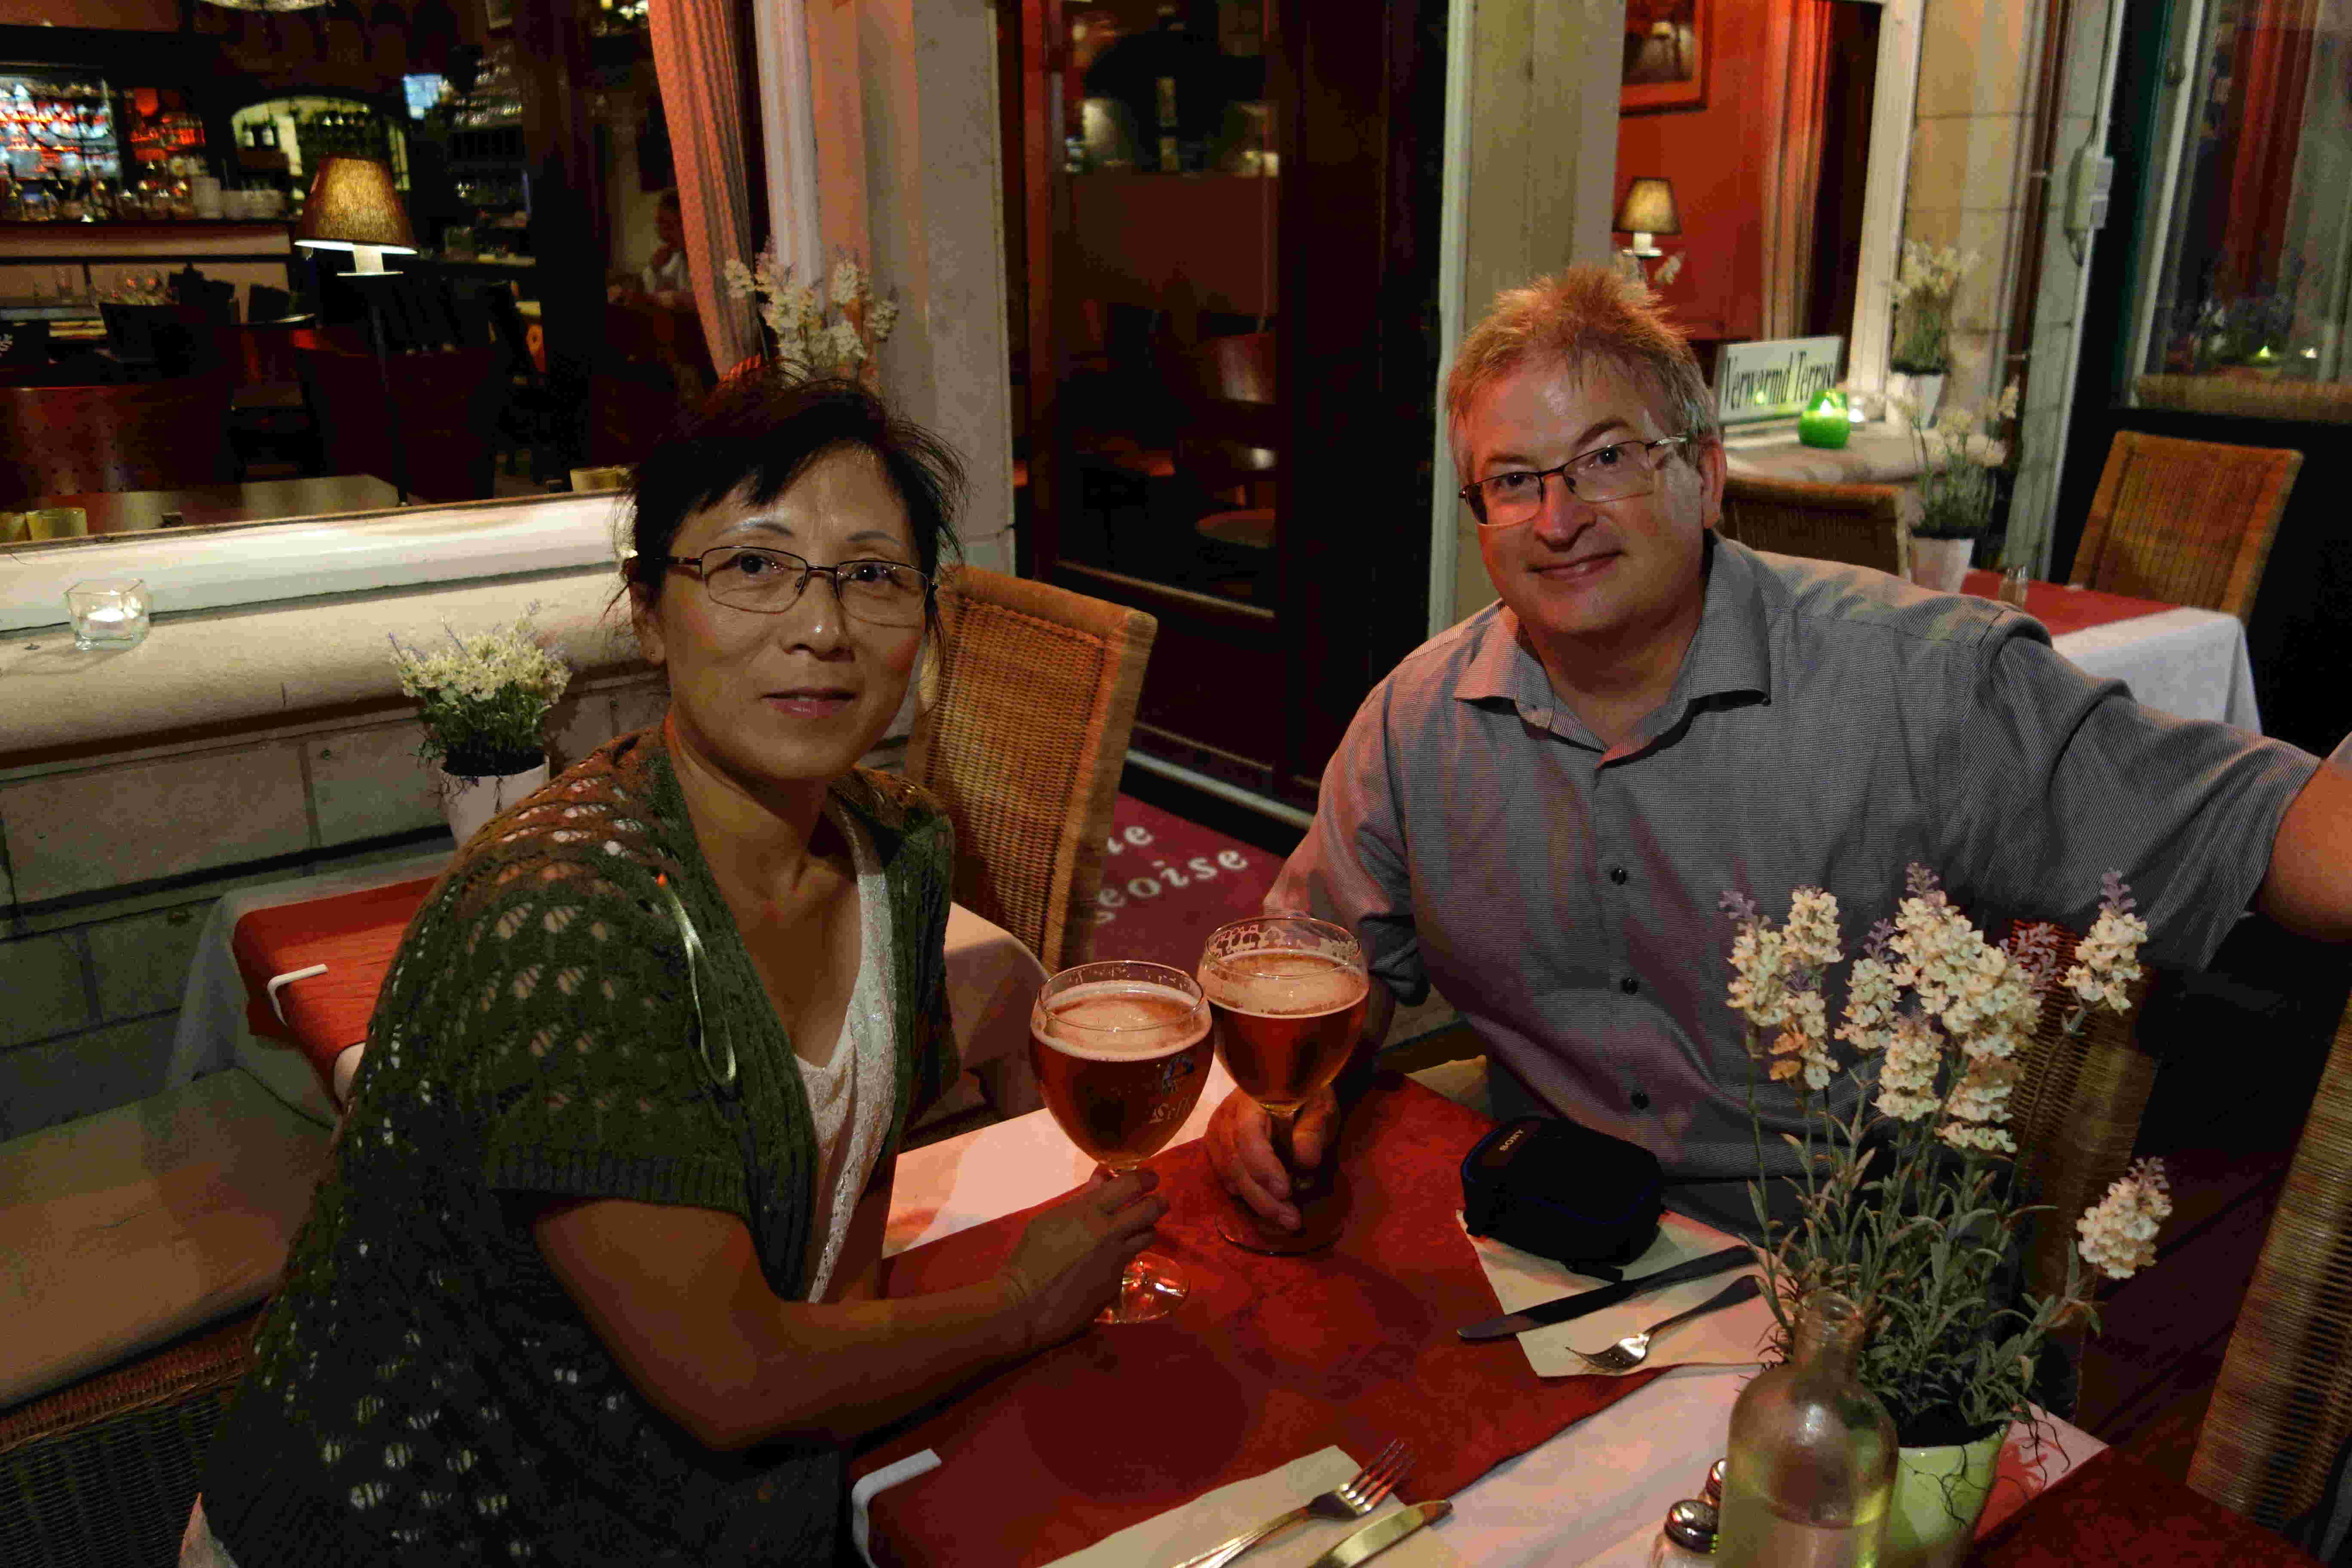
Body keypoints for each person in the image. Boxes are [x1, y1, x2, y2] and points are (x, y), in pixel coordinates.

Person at [185, 378, 1167, 1567]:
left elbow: (840, 1251)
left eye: (871, 574)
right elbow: (731, 1378)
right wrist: (1020, 1305)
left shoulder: (900, 848)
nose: (822, 628)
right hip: (411, 1530)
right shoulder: (567, 914)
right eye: (753, 566)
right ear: (649, 611)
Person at [1207, 266, 2352, 1240]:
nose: (1558, 519)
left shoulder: (1923, 684)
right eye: (1515, 481)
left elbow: (2269, 832)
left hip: (1850, 1279)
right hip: (1548, 1239)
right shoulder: (1416, 720)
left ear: (1704, 476)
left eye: (1607, 459)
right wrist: (1280, 1092)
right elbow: (1324, 962)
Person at [640, 187, 690, 304]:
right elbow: (650, 291)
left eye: (668, 225)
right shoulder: (676, 259)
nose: (662, 234)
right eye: (659, 224)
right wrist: (654, 268)